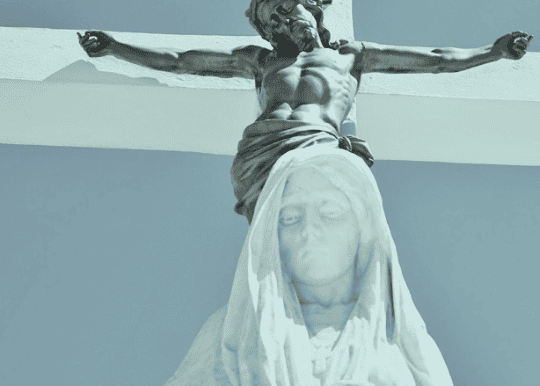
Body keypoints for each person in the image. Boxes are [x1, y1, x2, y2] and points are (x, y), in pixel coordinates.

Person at [78, 0, 531, 222]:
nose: (281, 22)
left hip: (319, 143)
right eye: (272, 21)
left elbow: (436, 60)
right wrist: (116, 48)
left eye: (285, 9)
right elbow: (180, 61)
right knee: (275, 238)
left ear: (311, 6)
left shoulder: (351, 56)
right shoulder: (261, 61)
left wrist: (493, 52)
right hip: (261, 152)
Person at [163, 145, 455, 385]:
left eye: (329, 212)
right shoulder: (231, 335)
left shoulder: (407, 347)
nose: (309, 231)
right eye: (290, 217)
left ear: (363, 228)